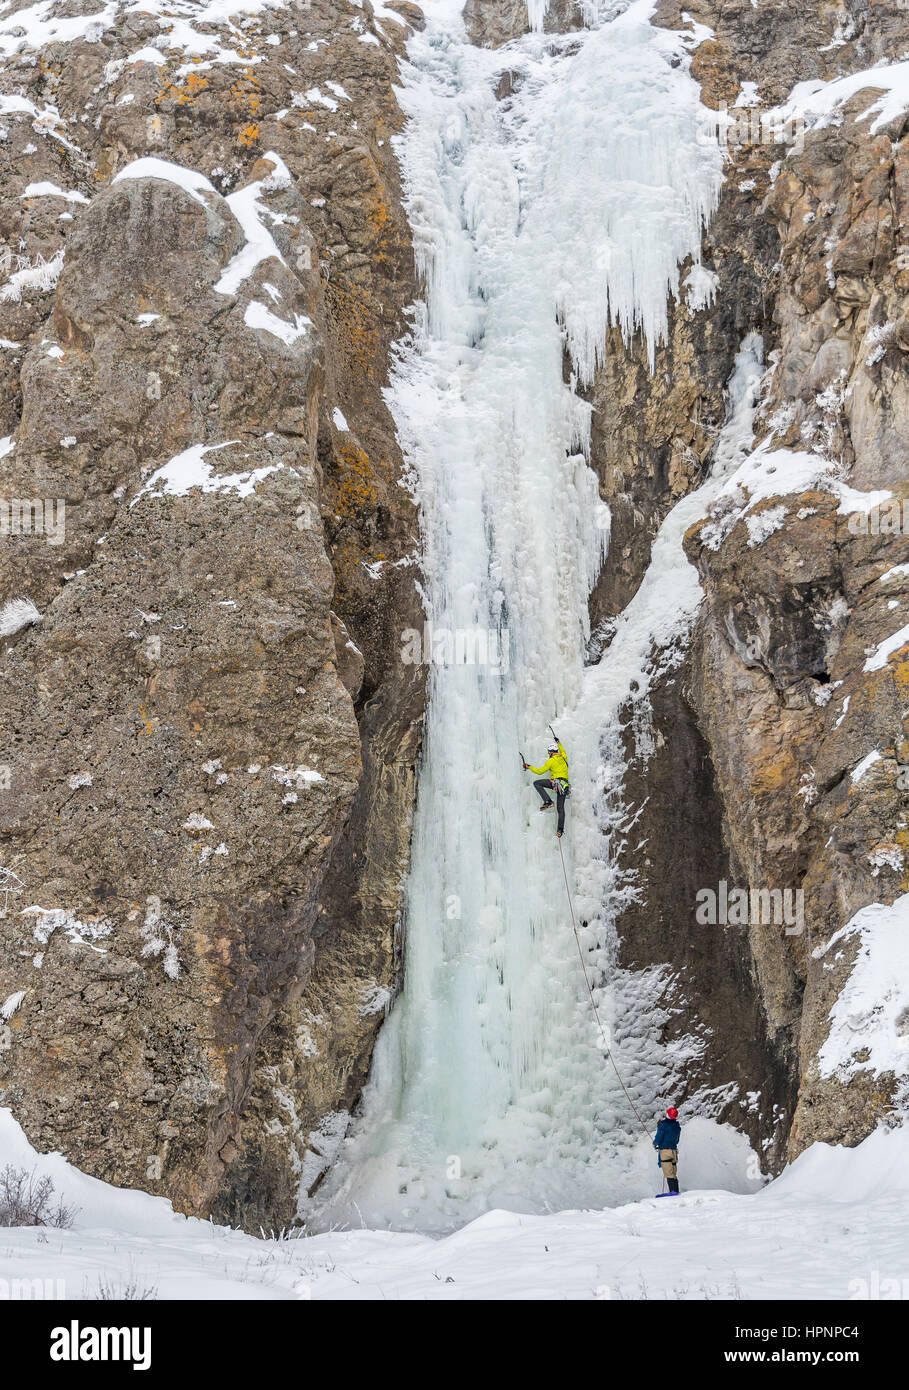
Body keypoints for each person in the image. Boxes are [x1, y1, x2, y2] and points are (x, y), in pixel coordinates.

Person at [524, 736, 570, 838]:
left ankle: (548, 801)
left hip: (556, 783)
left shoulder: (550, 761)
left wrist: (529, 767)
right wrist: (559, 742)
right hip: (565, 786)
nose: (548, 754)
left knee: (537, 783)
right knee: (561, 809)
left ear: (550, 752)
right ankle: (560, 830)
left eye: (549, 752)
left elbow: (540, 771)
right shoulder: (563, 757)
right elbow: (563, 750)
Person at [654, 1106, 681, 1194]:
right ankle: (676, 1191)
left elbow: (658, 1138)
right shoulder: (677, 1126)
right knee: (673, 1172)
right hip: (674, 1152)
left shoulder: (663, 1125)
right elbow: (677, 1140)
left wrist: (655, 1144)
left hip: (665, 1152)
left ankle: (673, 1192)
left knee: (668, 1173)